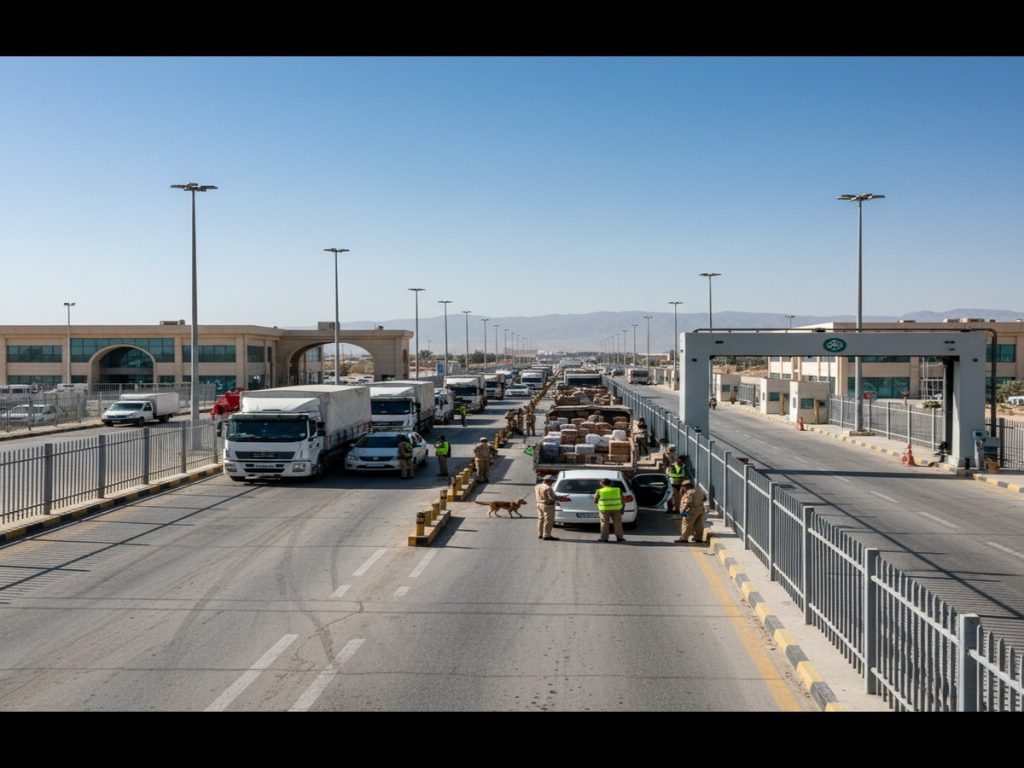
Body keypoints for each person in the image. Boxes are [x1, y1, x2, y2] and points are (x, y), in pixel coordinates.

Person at [593, 478, 626, 543]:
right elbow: (622, 500)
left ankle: (604, 538)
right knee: (618, 523)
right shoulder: (618, 490)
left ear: (601, 484)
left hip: (604, 509)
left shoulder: (599, 491)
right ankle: (620, 538)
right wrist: (622, 509)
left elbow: (595, 501)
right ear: (611, 484)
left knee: (604, 523)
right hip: (616, 509)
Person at [676, 480, 708, 545]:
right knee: (698, 523)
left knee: (686, 523)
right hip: (700, 509)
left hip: (692, 510)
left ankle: (684, 538)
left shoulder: (689, 493)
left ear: (686, 486)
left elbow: (686, 502)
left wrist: (682, 511)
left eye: (683, 487)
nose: (682, 488)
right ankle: (698, 538)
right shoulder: (699, 491)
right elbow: (705, 498)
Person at [535, 474, 559, 540]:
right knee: (548, 520)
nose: (553, 482)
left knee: (541, 519)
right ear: (548, 481)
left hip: (539, 504)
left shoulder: (537, 486)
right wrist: (559, 498)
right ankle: (547, 535)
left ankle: (540, 534)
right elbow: (552, 498)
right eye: (552, 481)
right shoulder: (548, 488)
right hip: (547, 506)